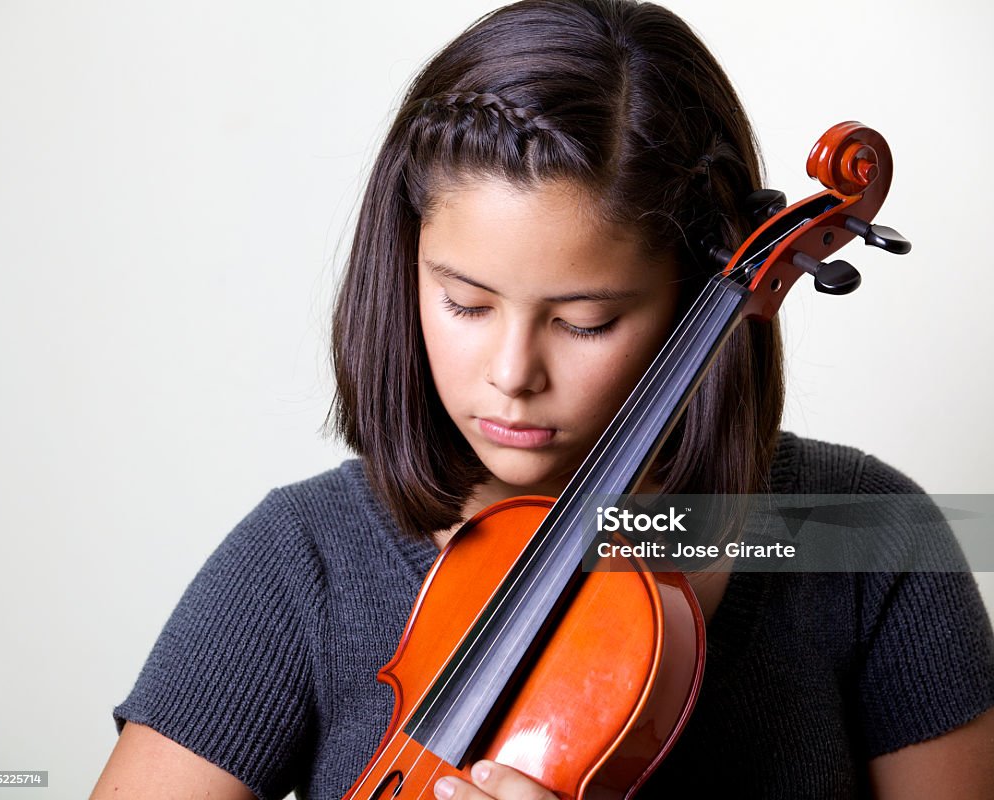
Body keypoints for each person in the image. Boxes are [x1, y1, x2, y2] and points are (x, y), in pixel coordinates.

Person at [90, 1, 994, 798]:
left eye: (586, 319)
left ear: (695, 295)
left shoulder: (867, 542)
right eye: (465, 303)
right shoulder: (302, 563)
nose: (512, 371)